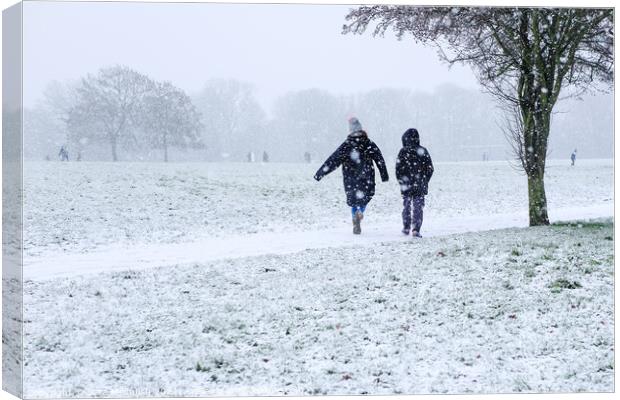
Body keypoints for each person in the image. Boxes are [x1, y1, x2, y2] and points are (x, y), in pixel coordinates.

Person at [314, 117, 389, 234]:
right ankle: (360, 212)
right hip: (367, 176)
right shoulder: (368, 143)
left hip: (350, 178)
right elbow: (379, 158)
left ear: (351, 130)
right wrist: (384, 175)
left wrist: (320, 173)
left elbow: (333, 160)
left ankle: (355, 215)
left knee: (354, 199)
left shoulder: (347, 145)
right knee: (365, 198)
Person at [396, 128, 434, 237]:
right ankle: (416, 229)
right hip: (420, 184)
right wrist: (424, 180)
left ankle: (406, 227)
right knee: (418, 207)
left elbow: (398, 169)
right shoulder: (423, 151)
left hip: (406, 184)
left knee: (406, 206)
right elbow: (430, 168)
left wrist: (402, 181)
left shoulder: (403, 151)